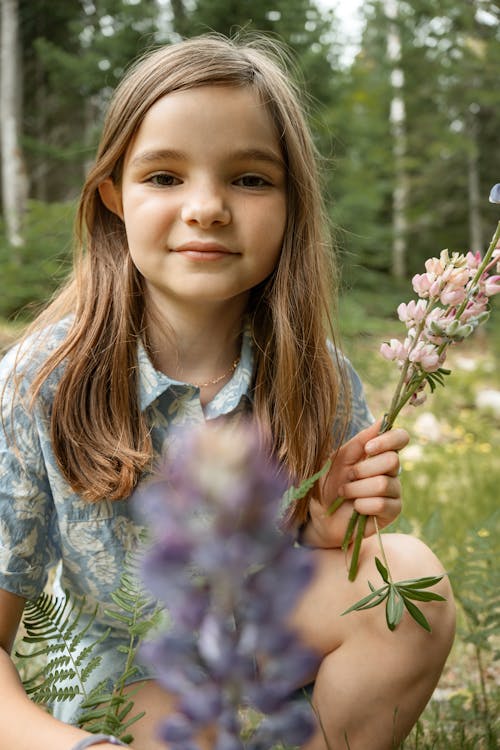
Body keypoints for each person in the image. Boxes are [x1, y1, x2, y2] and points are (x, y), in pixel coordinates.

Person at [0, 34, 455, 750]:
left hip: (265, 656)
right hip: (125, 684)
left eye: (249, 179)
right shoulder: (38, 383)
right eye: (164, 177)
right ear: (113, 196)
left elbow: (306, 572)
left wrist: (322, 530)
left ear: (291, 203)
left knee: (406, 579)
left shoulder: (320, 377)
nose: (208, 207)